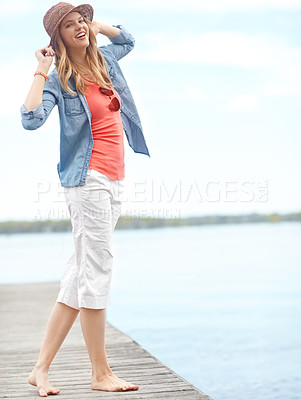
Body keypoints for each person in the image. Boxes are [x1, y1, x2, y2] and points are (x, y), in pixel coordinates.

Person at [20, 2, 149, 397]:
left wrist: (95, 25)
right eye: (70, 25)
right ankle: (100, 372)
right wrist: (41, 70)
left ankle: (40, 370)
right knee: (97, 270)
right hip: (87, 180)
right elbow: (30, 119)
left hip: (114, 178)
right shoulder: (61, 78)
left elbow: (127, 37)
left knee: (79, 277)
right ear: (56, 38)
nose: (79, 28)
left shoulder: (106, 59)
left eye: (82, 21)